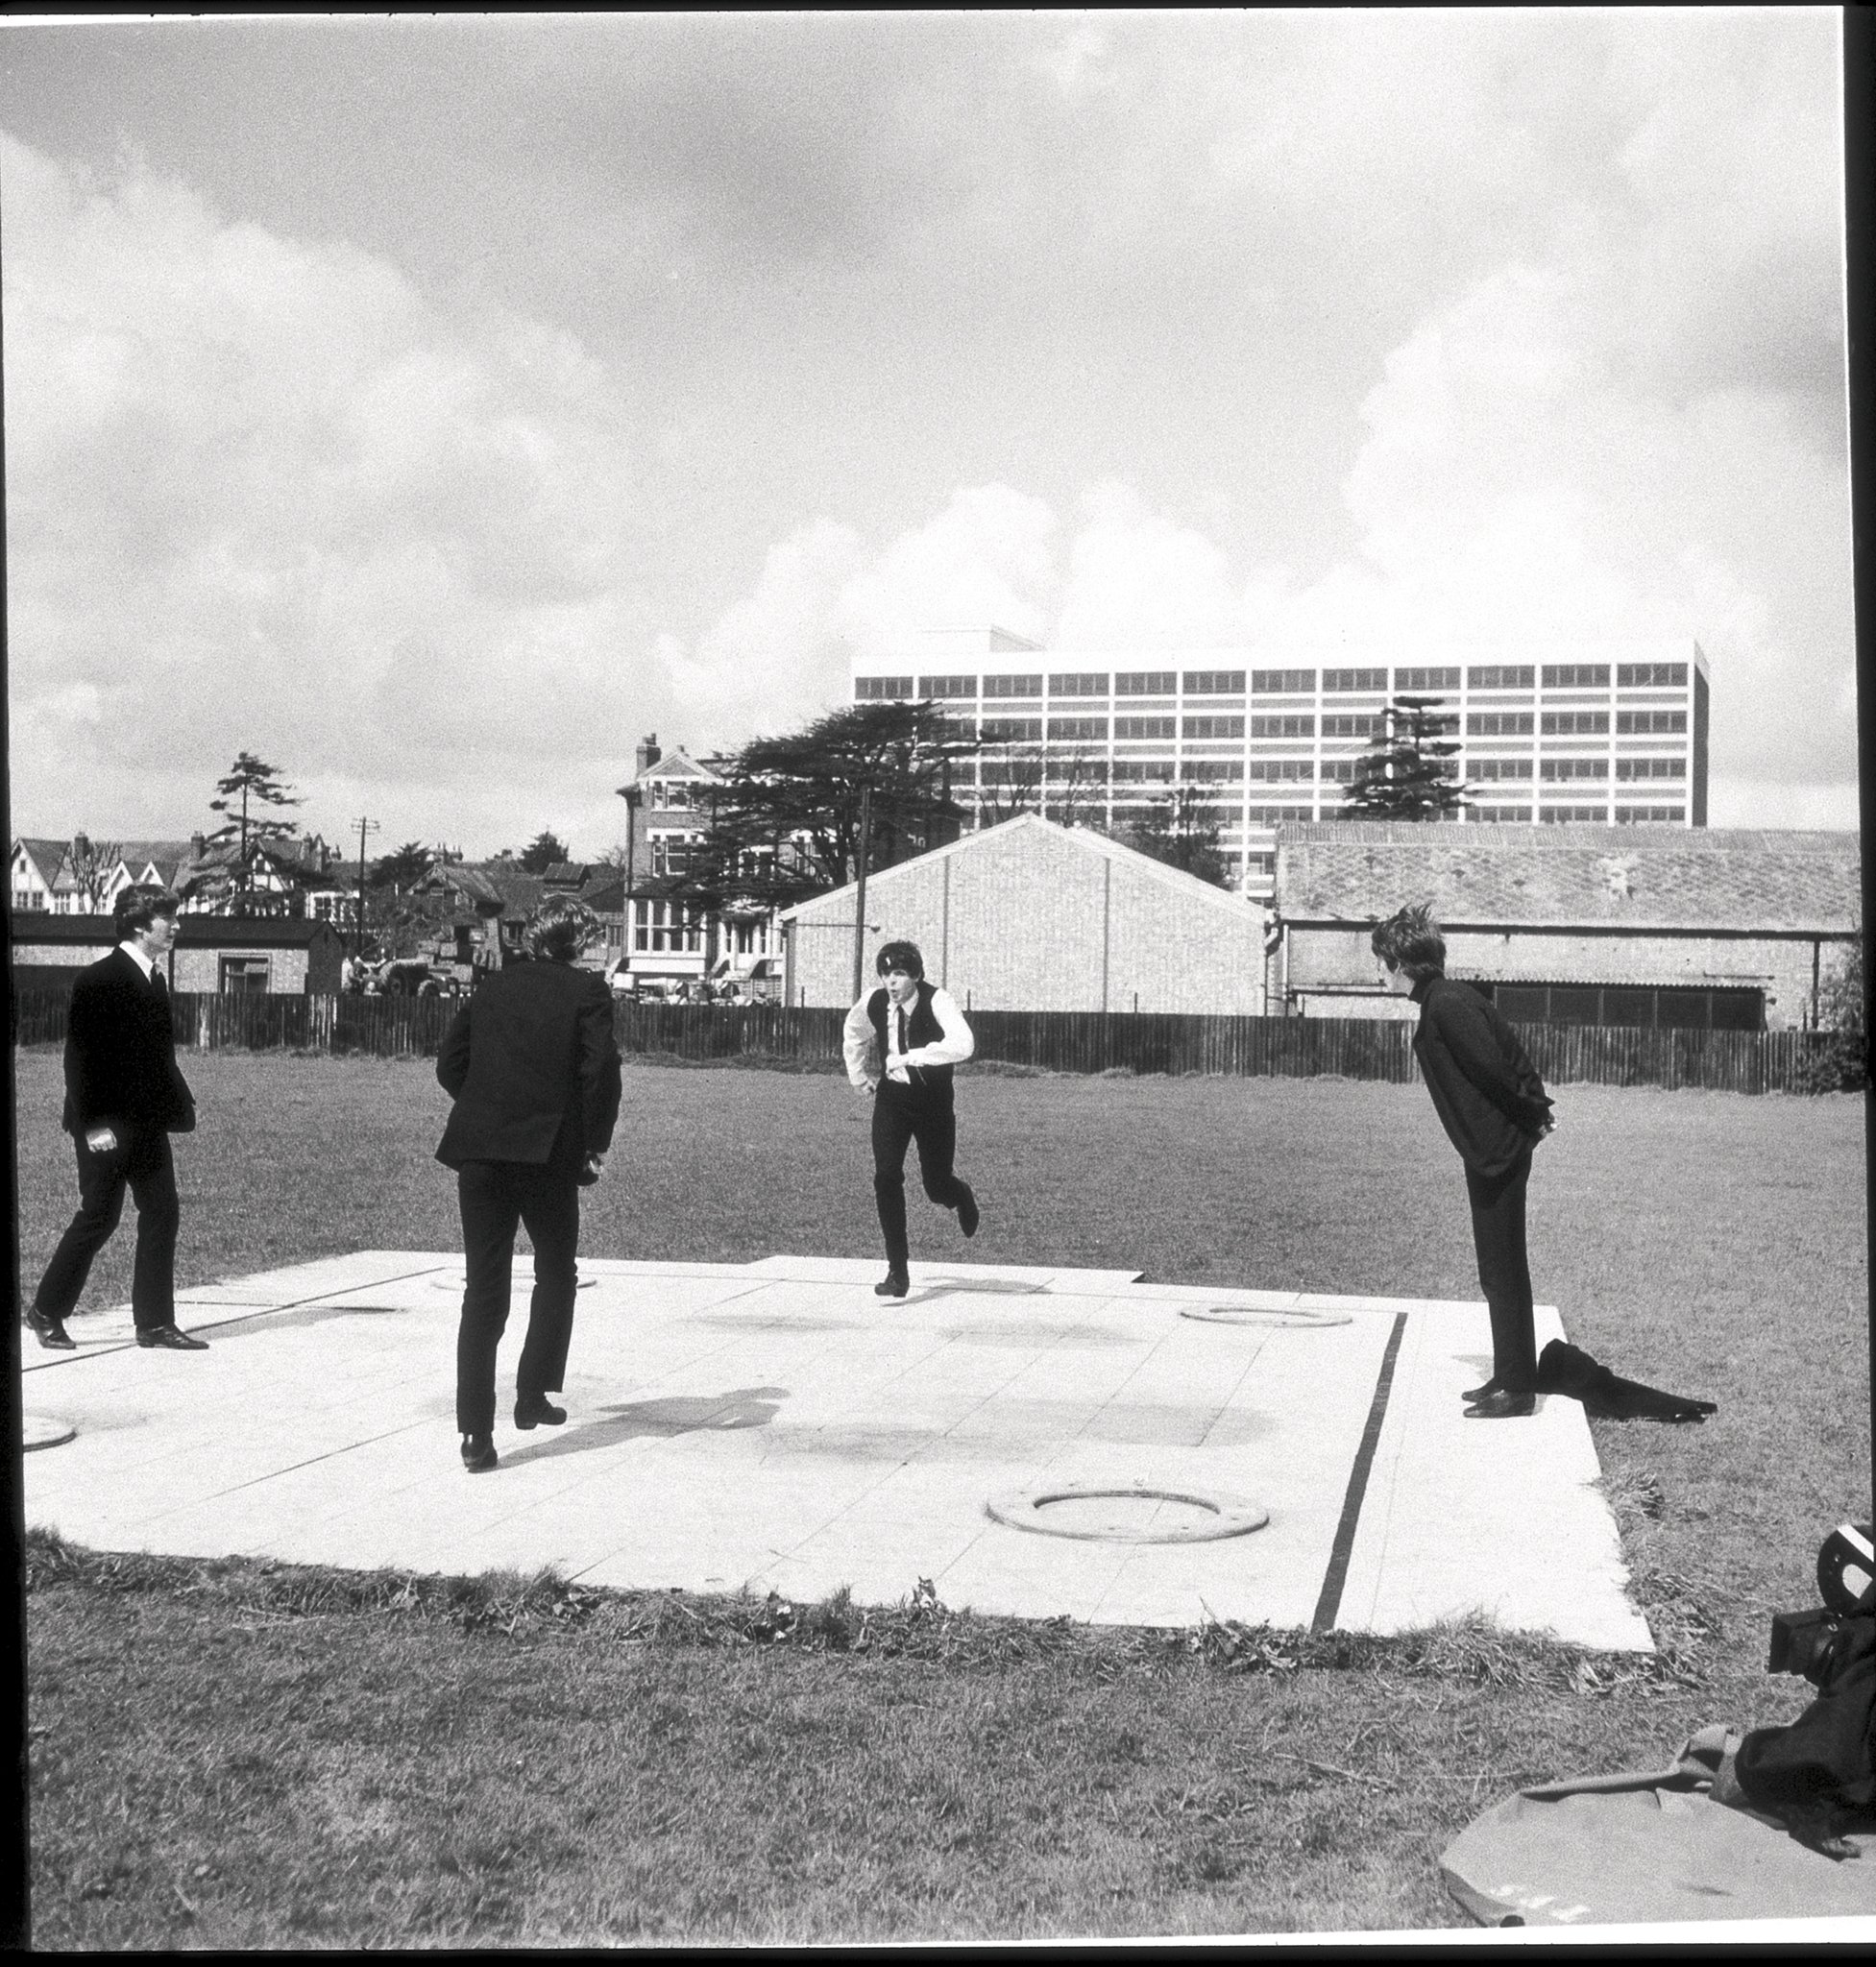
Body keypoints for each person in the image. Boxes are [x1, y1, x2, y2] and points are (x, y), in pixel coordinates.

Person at [435, 895, 622, 1472]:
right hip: (545, 1158)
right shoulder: (588, 991)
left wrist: (489, 1106)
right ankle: (532, 1393)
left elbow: (449, 1064)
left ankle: (474, 1434)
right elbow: (600, 1074)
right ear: (579, 942)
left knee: (483, 1291)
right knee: (555, 1272)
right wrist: (590, 1144)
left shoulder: (493, 985)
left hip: (481, 1155)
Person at [1372, 903, 1556, 1419]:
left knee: (1502, 1269)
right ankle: (1508, 1373)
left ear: (1402, 964)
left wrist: (1534, 1115)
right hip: (1490, 1150)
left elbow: (1497, 1070)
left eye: (1382, 962)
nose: (1379, 974)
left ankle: (1518, 1389)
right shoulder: (1443, 1000)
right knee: (1496, 1268)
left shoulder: (1448, 1004)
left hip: (1499, 1151)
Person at [27, 886, 206, 1352]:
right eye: (169, 918)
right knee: (98, 1218)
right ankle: (45, 1311)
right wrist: (92, 1127)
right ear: (141, 924)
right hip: (105, 1127)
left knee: (163, 1214)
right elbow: (79, 1063)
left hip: (146, 1126)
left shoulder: (155, 980)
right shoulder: (98, 979)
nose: (177, 926)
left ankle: (154, 1324)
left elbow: (158, 1057)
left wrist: (182, 1101)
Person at [842, 939, 980, 1299]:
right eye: (886, 974)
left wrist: (911, 1056)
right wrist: (859, 1076)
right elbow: (854, 1032)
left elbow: (964, 1045)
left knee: (936, 1185)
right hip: (893, 1101)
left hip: (933, 1103)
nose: (892, 982)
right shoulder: (873, 1001)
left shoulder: (938, 1000)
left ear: (916, 975)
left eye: (900, 974)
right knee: (886, 1176)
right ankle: (897, 1271)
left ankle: (959, 1194)